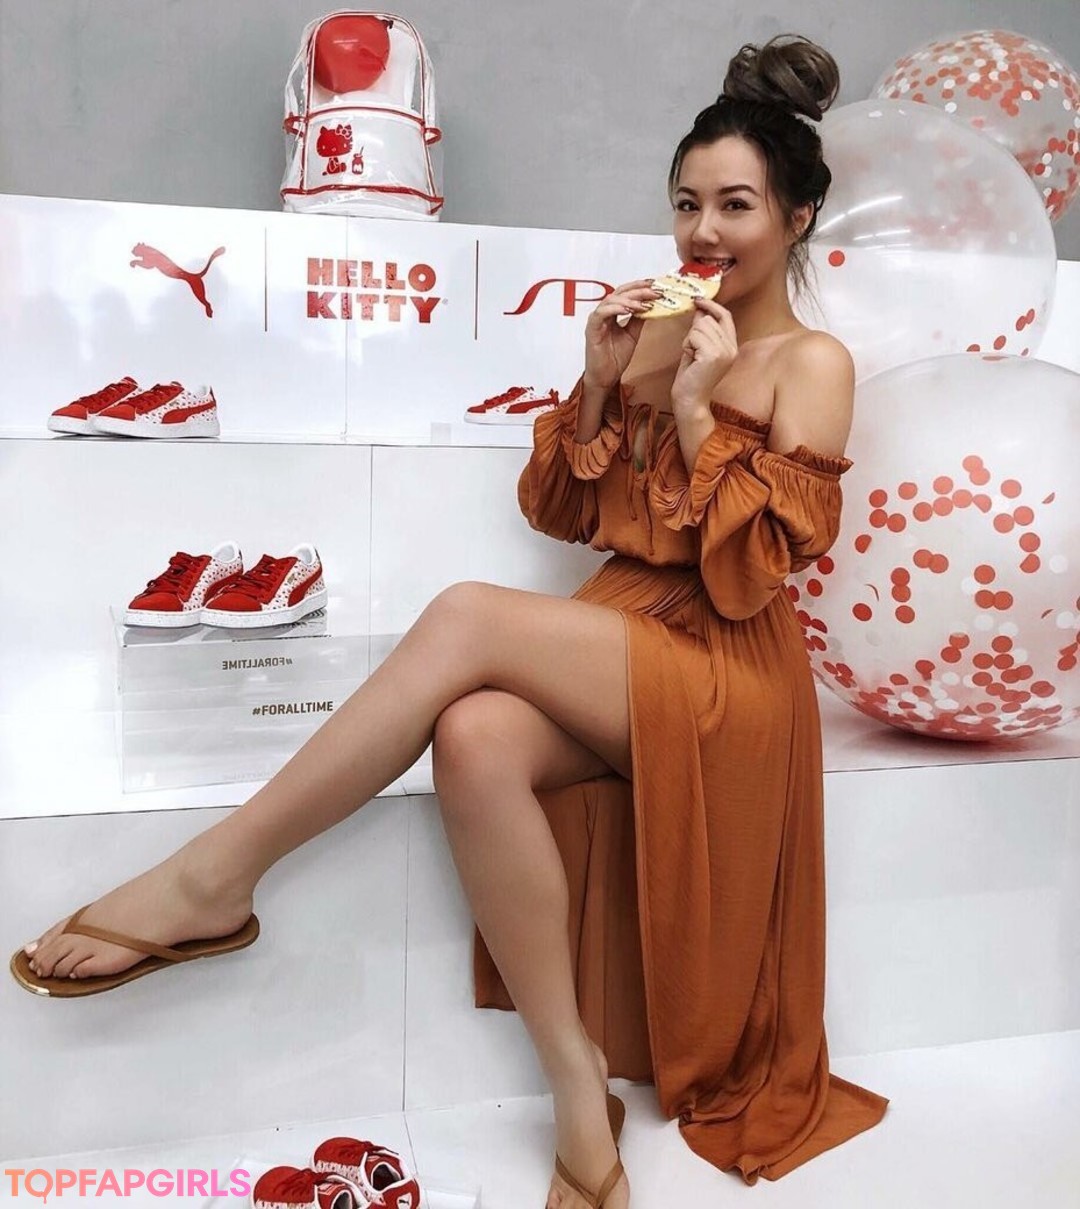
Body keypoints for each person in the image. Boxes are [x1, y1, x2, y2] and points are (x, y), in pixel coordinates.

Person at [13, 32, 890, 1209]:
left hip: (730, 668)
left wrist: (693, 413)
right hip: (631, 632)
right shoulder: (660, 331)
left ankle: (216, 875)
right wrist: (601, 380)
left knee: (467, 615)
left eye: (737, 205)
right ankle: (575, 1086)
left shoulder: (810, 361)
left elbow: (761, 569)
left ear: (797, 217)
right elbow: (564, 512)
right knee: (473, 735)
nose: (703, 231)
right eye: (686, 203)